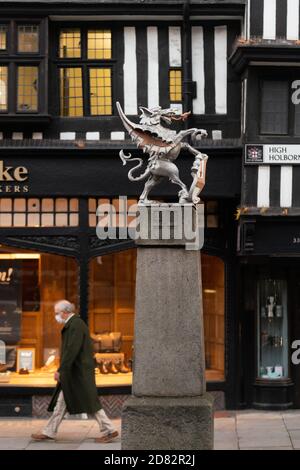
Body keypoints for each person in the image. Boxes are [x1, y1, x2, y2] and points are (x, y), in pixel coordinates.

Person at [31, 300, 118, 444]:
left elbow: (71, 350)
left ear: (65, 312)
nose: (56, 316)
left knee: (91, 402)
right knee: (62, 403)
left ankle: (109, 430)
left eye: (57, 313)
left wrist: (61, 370)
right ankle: (49, 432)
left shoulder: (75, 325)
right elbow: (70, 350)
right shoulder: (74, 324)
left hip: (78, 373)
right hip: (75, 372)